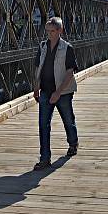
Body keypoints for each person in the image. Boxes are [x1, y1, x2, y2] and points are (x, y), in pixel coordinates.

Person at [32, 16, 79, 170]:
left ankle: (73, 143)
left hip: (63, 92)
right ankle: (45, 159)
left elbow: (70, 72)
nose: (49, 34)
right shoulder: (43, 46)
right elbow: (38, 66)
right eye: (47, 31)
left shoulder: (67, 48)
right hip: (45, 91)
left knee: (68, 120)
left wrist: (58, 92)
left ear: (60, 31)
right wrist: (36, 86)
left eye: (52, 31)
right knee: (43, 125)